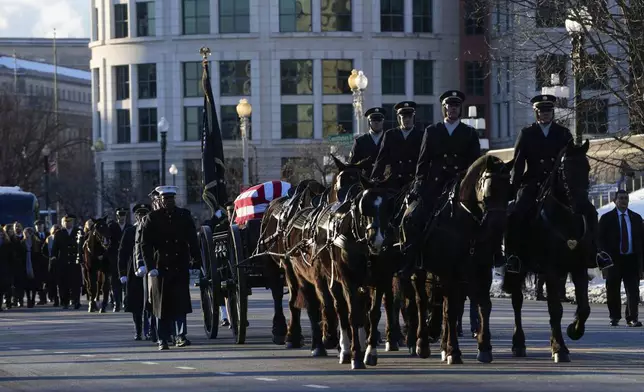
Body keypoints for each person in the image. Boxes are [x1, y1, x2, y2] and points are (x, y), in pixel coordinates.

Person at [140, 186, 201, 350]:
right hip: (160, 267)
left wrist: (196, 261)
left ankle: (180, 335)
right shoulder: (152, 218)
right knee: (161, 305)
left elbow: (192, 240)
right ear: (160, 201)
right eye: (165, 199)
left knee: (180, 302)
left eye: (171, 199)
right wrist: (150, 266)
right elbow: (145, 245)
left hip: (180, 264)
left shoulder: (184, 215)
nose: (168, 202)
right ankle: (163, 338)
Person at [599, 189, 643, 327]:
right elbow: (599, 241)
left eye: (626, 198)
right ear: (615, 201)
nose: (624, 201)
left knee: (633, 290)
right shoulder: (606, 218)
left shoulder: (636, 218)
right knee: (612, 289)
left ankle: (632, 317)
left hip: (631, 259)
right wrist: (603, 262)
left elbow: (642, 241)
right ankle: (614, 316)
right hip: (613, 260)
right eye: (621, 198)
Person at [119, 203, 156, 340]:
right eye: (139, 214)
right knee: (136, 304)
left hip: (150, 270)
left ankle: (152, 329)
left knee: (151, 302)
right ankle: (138, 330)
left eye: (144, 214)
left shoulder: (152, 229)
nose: (142, 216)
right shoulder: (129, 231)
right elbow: (122, 254)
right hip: (133, 272)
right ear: (136, 216)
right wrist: (122, 273)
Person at [370, 101, 424, 188]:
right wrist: (374, 179)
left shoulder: (421, 135)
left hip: (413, 182)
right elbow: (381, 159)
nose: (407, 120)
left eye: (409, 117)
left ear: (413, 117)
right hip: (394, 182)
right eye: (404, 117)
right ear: (399, 118)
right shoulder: (390, 134)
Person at [51, 214, 82, 310]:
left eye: (69, 221)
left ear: (73, 222)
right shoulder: (59, 233)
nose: (68, 223)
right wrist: (54, 257)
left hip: (74, 261)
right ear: (63, 223)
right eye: (66, 222)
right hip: (63, 262)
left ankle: (76, 301)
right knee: (63, 283)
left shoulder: (78, 232)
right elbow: (55, 248)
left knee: (76, 283)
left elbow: (81, 246)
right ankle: (65, 302)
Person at [349, 107, 387, 176]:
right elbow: (352, 164)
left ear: (383, 121)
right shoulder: (360, 141)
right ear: (369, 122)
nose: (376, 122)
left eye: (379, 120)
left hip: (386, 181)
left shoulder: (390, 139)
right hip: (365, 181)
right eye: (373, 120)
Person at [107, 208, 131, 312]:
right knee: (115, 281)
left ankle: (126, 302)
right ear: (117, 217)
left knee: (127, 281)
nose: (121, 218)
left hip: (126, 258)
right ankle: (117, 303)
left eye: (123, 216)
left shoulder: (129, 227)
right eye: (119, 216)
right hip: (114, 258)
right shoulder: (112, 227)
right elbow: (107, 242)